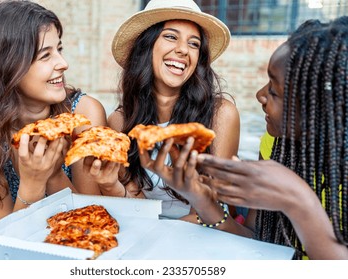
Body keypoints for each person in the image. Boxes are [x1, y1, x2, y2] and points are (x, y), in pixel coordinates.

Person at [140, 16, 348, 259]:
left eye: (273, 90)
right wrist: (201, 199)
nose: (260, 95)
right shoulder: (275, 146)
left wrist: (299, 203)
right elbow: (254, 237)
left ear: (322, 105)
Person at [0, 0, 107, 226]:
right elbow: (3, 238)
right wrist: (32, 183)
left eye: (59, 49)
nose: (63, 63)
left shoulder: (84, 114)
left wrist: (53, 175)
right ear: (5, 66)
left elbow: (94, 223)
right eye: (45, 55)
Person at [90, 0, 240, 222]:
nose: (182, 50)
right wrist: (111, 184)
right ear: (147, 46)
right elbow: (137, 206)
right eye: (171, 36)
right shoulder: (120, 121)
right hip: (148, 231)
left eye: (194, 44)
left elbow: (211, 211)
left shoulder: (221, 114)